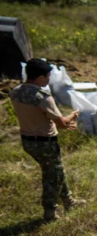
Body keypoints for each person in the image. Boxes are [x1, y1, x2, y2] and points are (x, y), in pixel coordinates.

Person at [9, 58, 84, 222]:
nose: (49, 79)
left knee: (56, 171)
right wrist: (74, 115)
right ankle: (50, 214)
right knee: (52, 178)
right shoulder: (42, 97)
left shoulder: (15, 91)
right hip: (45, 143)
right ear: (41, 78)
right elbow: (62, 124)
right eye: (48, 76)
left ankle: (69, 201)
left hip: (27, 141)